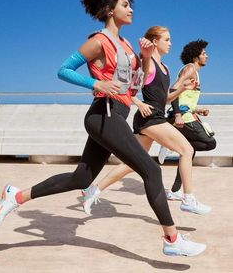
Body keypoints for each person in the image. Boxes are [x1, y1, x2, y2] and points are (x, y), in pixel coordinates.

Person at [0, 0, 206, 257]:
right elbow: (64, 70)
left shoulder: (128, 46)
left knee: (81, 178)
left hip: (116, 114)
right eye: (125, 4)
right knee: (152, 170)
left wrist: (144, 57)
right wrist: (95, 84)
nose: (131, 9)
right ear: (110, 9)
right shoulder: (99, 41)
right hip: (102, 114)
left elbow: (135, 86)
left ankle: (16, 195)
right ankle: (171, 238)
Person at [82, 26, 211, 218]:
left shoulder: (165, 69)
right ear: (155, 42)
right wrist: (139, 103)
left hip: (155, 115)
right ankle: (187, 199)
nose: (170, 43)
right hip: (149, 118)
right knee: (187, 150)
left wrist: (182, 89)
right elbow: (127, 89)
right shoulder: (147, 64)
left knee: (131, 163)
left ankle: (93, 190)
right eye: (166, 40)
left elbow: (165, 99)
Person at [158, 40, 216, 200]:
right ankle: (170, 145)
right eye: (204, 53)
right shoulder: (190, 69)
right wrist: (177, 115)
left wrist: (199, 109)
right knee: (210, 143)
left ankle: (175, 191)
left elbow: (185, 99)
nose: (206, 56)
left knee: (188, 153)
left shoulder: (194, 72)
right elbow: (174, 89)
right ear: (196, 56)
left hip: (187, 114)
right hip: (183, 118)